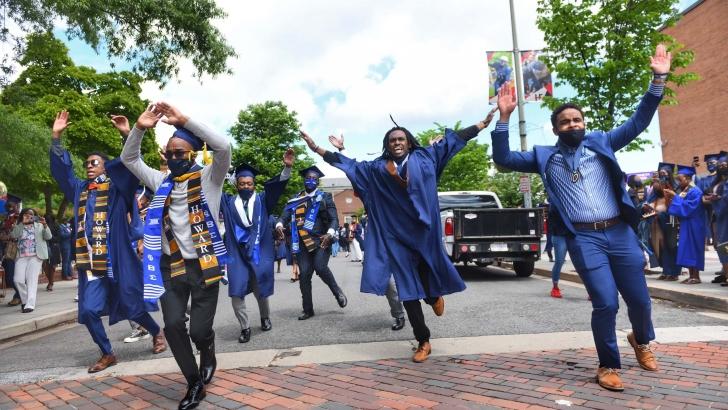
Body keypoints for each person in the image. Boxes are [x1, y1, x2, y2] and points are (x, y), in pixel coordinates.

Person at [490, 44, 670, 391]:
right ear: (556, 129)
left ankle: (642, 340)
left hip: (619, 233)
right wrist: (503, 118)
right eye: (565, 122)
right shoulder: (544, 157)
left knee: (640, 300)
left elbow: (639, 120)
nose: (573, 124)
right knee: (604, 301)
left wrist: (657, 79)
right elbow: (504, 159)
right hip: (584, 239)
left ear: (584, 124)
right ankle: (607, 365)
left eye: (577, 120)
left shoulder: (602, 142)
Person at [300, 105, 496, 361]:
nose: (397, 143)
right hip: (396, 237)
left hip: (424, 233)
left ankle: (434, 296)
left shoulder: (427, 157)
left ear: (408, 141)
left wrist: (481, 124)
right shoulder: (378, 168)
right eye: (392, 140)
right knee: (407, 291)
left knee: (427, 276)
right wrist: (318, 149)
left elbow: (454, 141)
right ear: (387, 144)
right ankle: (423, 340)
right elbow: (350, 165)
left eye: (401, 138)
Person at [121, 103, 231, 410]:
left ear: (193, 154)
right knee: (171, 325)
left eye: (179, 153)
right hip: (170, 267)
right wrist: (139, 128)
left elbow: (224, 146)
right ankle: (194, 383)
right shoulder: (160, 182)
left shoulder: (211, 179)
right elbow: (129, 159)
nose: (172, 158)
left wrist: (184, 120)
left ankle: (207, 349)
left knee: (198, 330)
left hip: (204, 265)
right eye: (169, 154)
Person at [50, 111, 167, 374]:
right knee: (89, 311)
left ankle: (157, 332)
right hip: (91, 262)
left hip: (117, 257)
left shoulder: (117, 189)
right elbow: (62, 172)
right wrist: (56, 138)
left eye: (94, 163)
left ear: (105, 166)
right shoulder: (79, 189)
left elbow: (131, 167)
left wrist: (128, 134)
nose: (89, 166)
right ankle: (107, 352)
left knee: (132, 304)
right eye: (87, 164)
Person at [220, 154, 293, 344]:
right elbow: (212, 187)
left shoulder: (263, 200)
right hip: (237, 253)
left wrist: (286, 169)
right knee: (236, 291)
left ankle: (264, 317)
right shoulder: (228, 202)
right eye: (242, 183)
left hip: (259, 251)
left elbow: (277, 187)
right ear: (237, 184)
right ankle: (245, 327)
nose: (246, 186)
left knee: (260, 287)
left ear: (254, 184)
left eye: (249, 183)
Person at [275, 166, 347, 320]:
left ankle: (337, 292)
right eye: (308, 178)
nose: (310, 181)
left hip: (322, 240)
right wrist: (279, 225)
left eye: (314, 179)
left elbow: (334, 219)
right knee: (305, 274)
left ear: (318, 181)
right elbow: (284, 216)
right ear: (304, 180)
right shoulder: (296, 199)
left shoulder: (325, 197)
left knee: (320, 267)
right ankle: (308, 309)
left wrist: (330, 233)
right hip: (302, 243)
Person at [667, 165, 706, 284]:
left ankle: (696, 276)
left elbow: (689, 207)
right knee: (686, 249)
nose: (679, 182)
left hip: (695, 224)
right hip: (686, 224)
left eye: (680, 179)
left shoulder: (696, 191)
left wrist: (675, 197)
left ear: (688, 178)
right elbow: (680, 205)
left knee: (694, 248)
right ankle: (691, 275)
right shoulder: (686, 190)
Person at [11, 208, 52, 313]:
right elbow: (13, 235)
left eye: (31, 214)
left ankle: (30, 304)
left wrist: (45, 225)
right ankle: (24, 300)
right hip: (21, 256)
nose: (29, 216)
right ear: (22, 215)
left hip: (36, 256)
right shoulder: (19, 226)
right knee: (17, 280)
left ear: (35, 216)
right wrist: (21, 224)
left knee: (31, 280)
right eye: (26, 214)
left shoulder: (39, 225)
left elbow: (49, 237)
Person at [643, 179, 680, 280]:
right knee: (662, 249)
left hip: (671, 225)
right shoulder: (654, 200)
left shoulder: (670, 198)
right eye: (654, 188)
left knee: (671, 248)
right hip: (658, 227)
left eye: (657, 187)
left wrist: (660, 214)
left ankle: (674, 273)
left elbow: (674, 211)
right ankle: (666, 271)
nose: (656, 190)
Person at [706, 152, 728, 285]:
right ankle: (726, 274)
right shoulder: (719, 182)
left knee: (725, 245)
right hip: (719, 218)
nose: (722, 166)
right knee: (721, 246)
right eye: (720, 165)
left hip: (724, 216)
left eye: (724, 164)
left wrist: (717, 200)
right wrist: (713, 199)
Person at [1, 194, 23, 306]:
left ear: (16, 205)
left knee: (12, 276)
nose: (8, 206)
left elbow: (20, 234)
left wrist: (8, 236)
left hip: (15, 250)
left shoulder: (20, 218)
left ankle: (20, 295)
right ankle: (20, 295)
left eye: (11, 204)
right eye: (7, 204)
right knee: (9, 276)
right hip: (5, 249)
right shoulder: (6, 217)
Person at [548, 208, 568, 298]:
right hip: (560, 235)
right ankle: (555, 288)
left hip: (576, 234)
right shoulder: (555, 202)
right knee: (559, 261)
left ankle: (591, 290)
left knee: (582, 263)